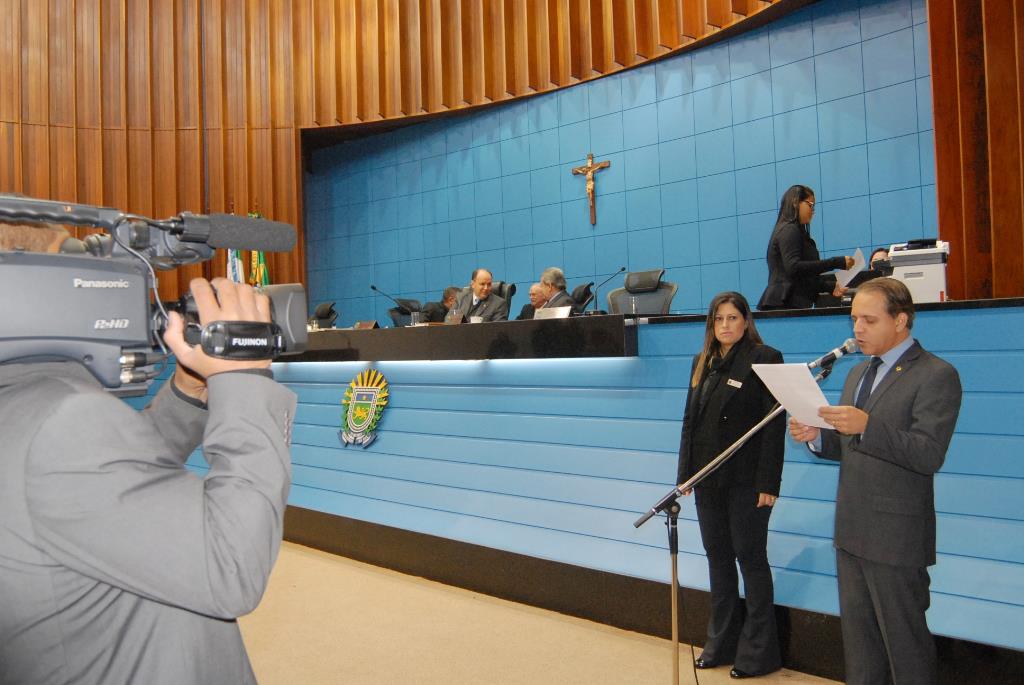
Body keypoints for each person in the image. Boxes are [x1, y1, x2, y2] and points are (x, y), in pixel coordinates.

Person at [0, 234, 298, 684]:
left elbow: (102, 494)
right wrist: (245, 379)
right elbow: (231, 568)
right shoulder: (64, 417)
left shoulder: (27, 402)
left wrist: (188, 393)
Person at [789, 278, 962, 685]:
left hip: (897, 536)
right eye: (854, 320)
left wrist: (867, 428)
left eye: (868, 320)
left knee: (905, 647)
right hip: (851, 531)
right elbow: (851, 446)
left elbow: (927, 453)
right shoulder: (856, 374)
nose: (857, 329)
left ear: (901, 320)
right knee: (861, 647)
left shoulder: (936, 375)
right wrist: (818, 438)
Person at [676, 291, 785, 679]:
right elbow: (690, 423)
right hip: (708, 480)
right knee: (717, 559)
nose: (725, 326)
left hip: (748, 481)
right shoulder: (701, 363)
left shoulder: (764, 359)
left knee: (750, 559)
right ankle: (720, 643)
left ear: (746, 322)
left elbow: (774, 427)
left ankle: (759, 652)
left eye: (733, 318)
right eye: (719, 319)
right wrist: (685, 474)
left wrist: (769, 481)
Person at [758, 185, 854, 310]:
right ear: (795, 203)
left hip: (791, 302)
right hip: (783, 303)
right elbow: (794, 268)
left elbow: (802, 276)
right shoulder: (789, 229)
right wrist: (836, 262)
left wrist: (829, 287)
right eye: (810, 204)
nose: (813, 210)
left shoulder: (796, 232)